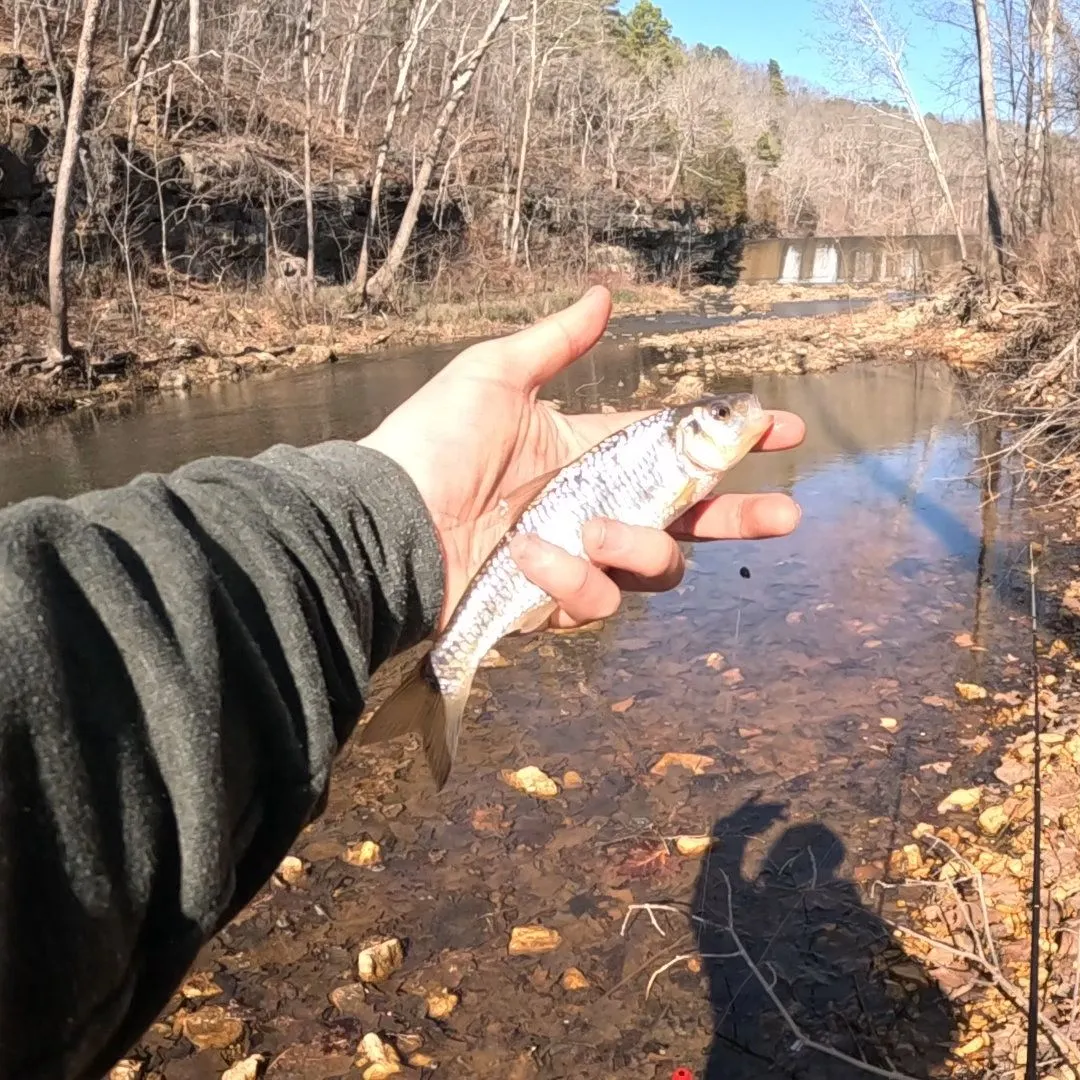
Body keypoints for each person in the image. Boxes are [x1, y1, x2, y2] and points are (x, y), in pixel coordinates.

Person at [0, 286, 805, 1080]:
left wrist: (386, 517)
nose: (742, 420)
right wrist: (394, 517)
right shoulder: (657, 449)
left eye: (732, 417)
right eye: (724, 417)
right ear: (693, 432)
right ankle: (438, 684)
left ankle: (437, 677)